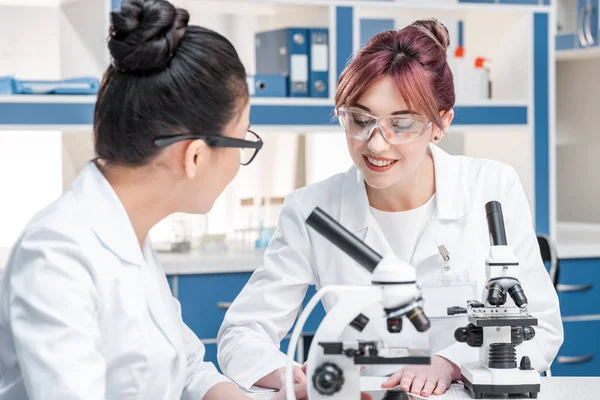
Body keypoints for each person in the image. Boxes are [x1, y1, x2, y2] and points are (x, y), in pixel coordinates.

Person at [217, 19, 563, 398]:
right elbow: (243, 331)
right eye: (360, 120)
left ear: (440, 124)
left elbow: (541, 325)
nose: (376, 145)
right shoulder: (313, 209)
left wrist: (451, 361)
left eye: (401, 124)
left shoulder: (490, 187)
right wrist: (294, 379)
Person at [0, 0, 303, 399]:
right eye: (242, 140)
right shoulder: (57, 257)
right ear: (194, 156)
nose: (238, 163)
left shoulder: (130, 236)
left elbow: (189, 369)